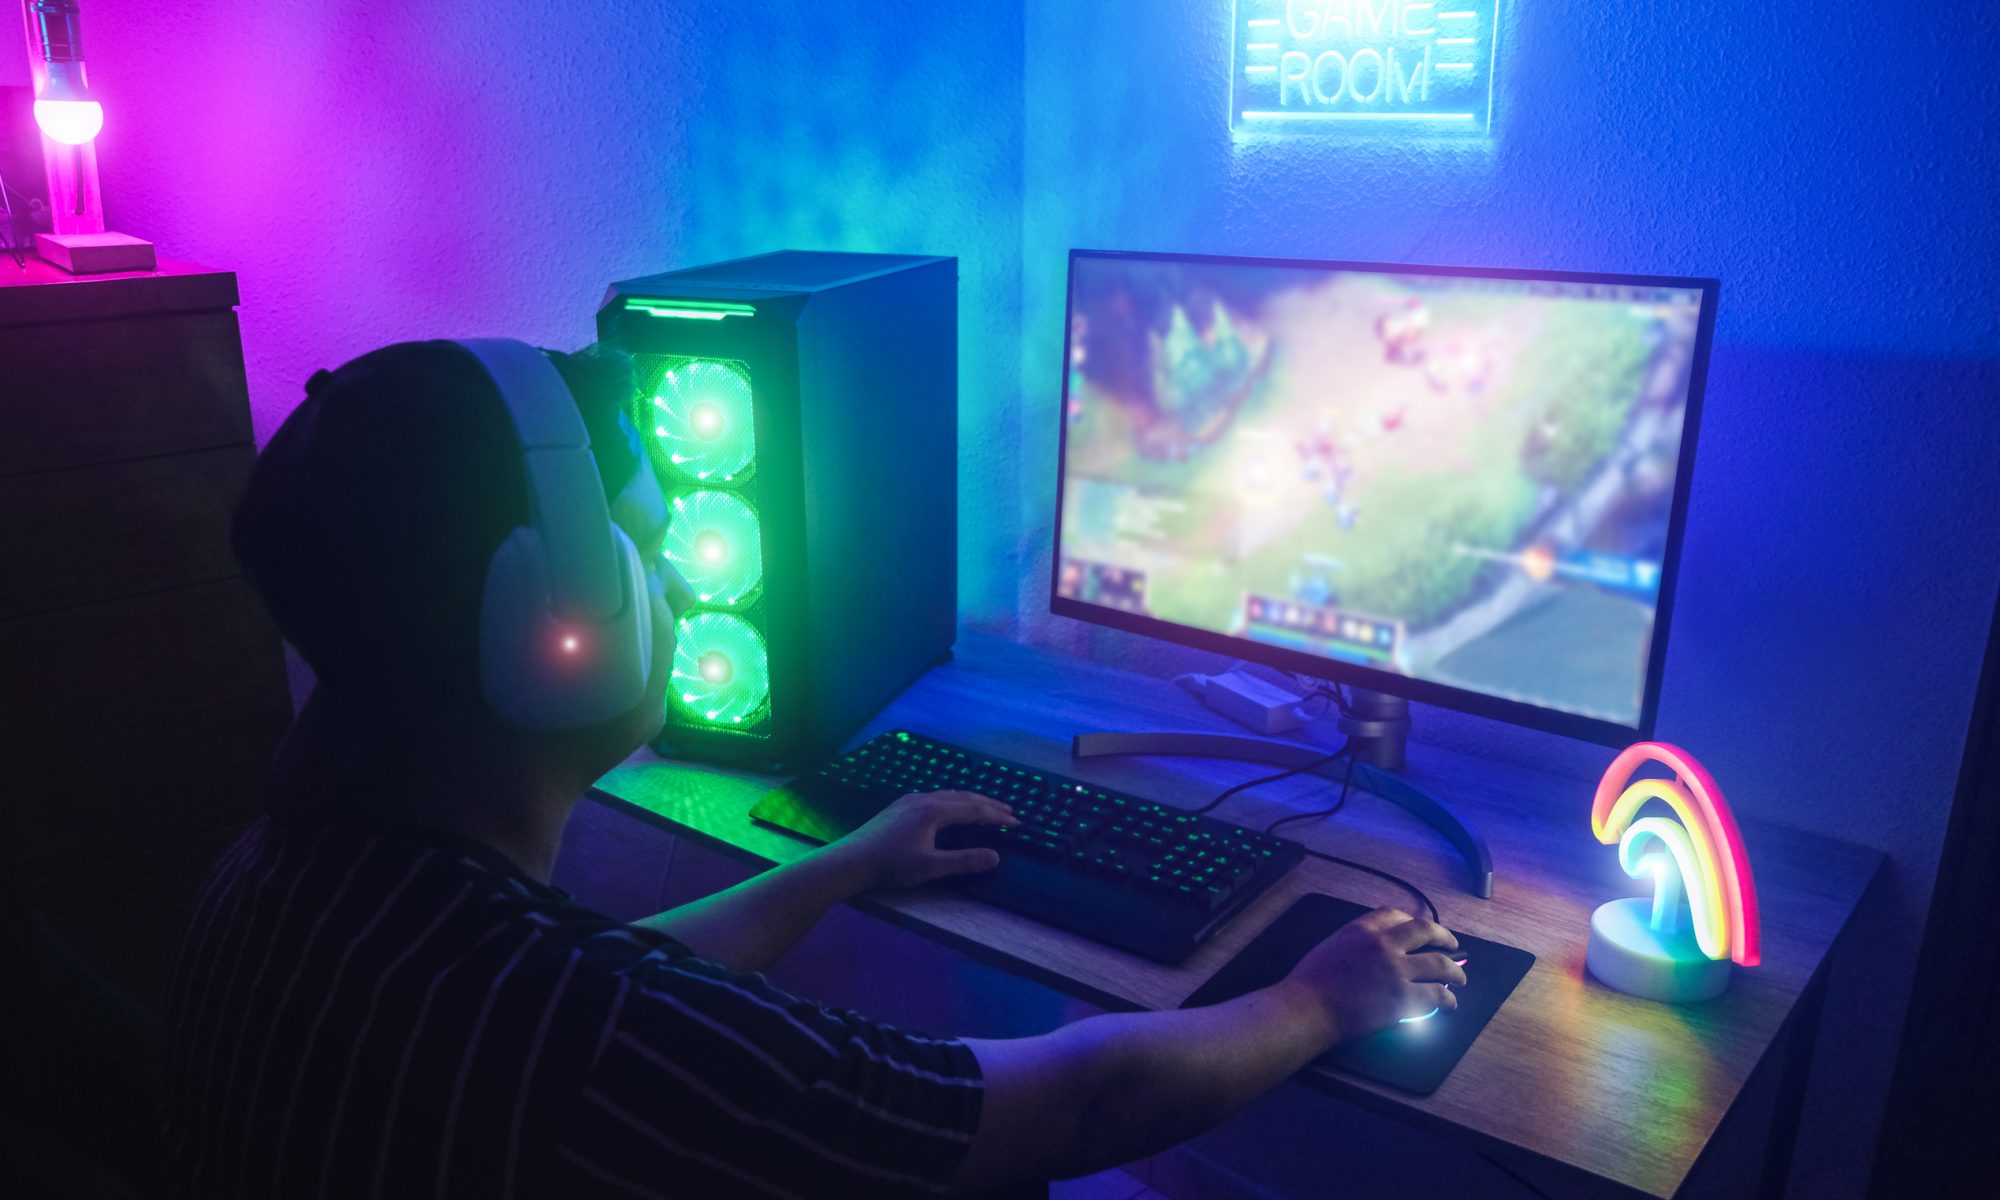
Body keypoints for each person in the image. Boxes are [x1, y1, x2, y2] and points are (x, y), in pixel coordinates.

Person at [163, 339, 1465, 1198]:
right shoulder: (598, 1035)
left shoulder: (278, 882)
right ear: (559, 625)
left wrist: (840, 867)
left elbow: (602, 978)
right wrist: (1318, 1001)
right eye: (643, 551)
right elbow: (1079, 1106)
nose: (677, 587)